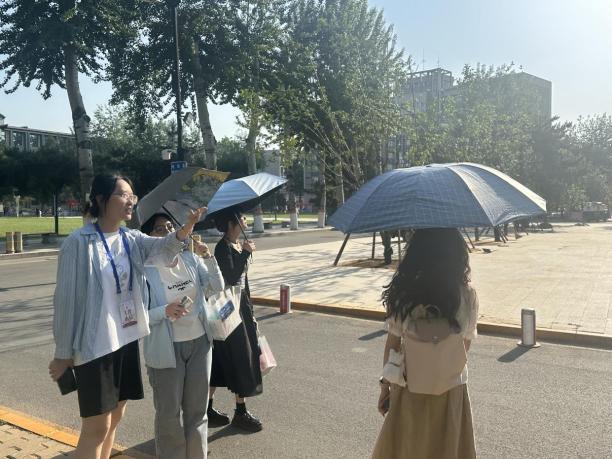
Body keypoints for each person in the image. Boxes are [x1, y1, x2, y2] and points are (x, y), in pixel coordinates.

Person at [48, 174, 204, 459]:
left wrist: (187, 228)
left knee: (117, 416)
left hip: (126, 340)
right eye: (123, 195)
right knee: (96, 427)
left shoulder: (131, 239)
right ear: (100, 199)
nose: (130, 201)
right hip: (95, 347)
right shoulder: (78, 243)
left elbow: (163, 248)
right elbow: (66, 302)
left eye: (132, 196)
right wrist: (63, 353)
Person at [372, 228, 479, 459]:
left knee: (409, 449)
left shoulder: (403, 295)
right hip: (451, 390)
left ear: (416, 253)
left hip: (410, 386)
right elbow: (465, 346)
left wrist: (385, 387)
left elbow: (392, 345)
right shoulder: (467, 295)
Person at [141, 213, 224, 459]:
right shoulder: (144, 271)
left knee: (198, 412)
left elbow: (216, 287)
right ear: (148, 237)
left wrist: (208, 257)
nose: (167, 231)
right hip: (167, 350)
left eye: (170, 226)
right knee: (168, 415)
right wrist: (163, 311)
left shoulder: (190, 258)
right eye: (159, 229)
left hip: (200, 344)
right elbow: (136, 317)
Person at [208, 209, 263, 432]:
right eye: (242, 217)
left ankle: (210, 408)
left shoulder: (237, 245)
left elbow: (243, 282)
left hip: (241, 309)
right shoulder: (222, 248)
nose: (245, 220)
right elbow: (229, 277)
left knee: (227, 360)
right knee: (238, 358)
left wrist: (251, 311)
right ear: (232, 223)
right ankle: (239, 412)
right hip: (228, 312)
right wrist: (246, 254)